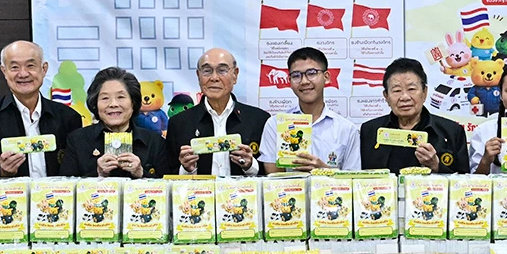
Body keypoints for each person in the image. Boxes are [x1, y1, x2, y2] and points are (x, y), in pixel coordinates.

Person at [0, 40, 81, 179]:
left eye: (30, 66)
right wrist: (0, 171)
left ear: (44, 69)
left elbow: (79, 171)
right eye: (14, 67)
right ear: (4, 71)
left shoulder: (68, 117)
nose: (23, 74)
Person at [165, 48, 268, 176]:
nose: (214, 78)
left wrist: (250, 165)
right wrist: (187, 169)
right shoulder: (178, 123)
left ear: (235, 75)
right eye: (207, 71)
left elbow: (272, 175)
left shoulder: (259, 119)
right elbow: (167, 174)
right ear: (198, 76)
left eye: (222, 70)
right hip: (198, 190)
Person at [359, 58, 469, 174]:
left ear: (424, 92)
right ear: (386, 96)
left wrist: (436, 166)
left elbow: (465, 180)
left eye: (411, 89)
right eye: (397, 90)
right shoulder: (370, 130)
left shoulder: (452, 132)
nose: (405, 97)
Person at [259, 47, 361, 172]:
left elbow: (352, 178)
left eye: (311, 73)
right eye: (296, 76)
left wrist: (323, 171)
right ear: (289, 81)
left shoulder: (347, 129)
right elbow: (272, 177)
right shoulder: (275, 124)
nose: (304, 81)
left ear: (326, 77)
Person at [60, 67, 169, 178]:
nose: (113, 104)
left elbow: (168, 185)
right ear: (95, 104)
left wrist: (141, 173)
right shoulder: (77, 140)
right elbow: (64, 186)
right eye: (105, 98)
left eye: (120, 97)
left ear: (133, 102)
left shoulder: (155, 142)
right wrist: (98, 174)